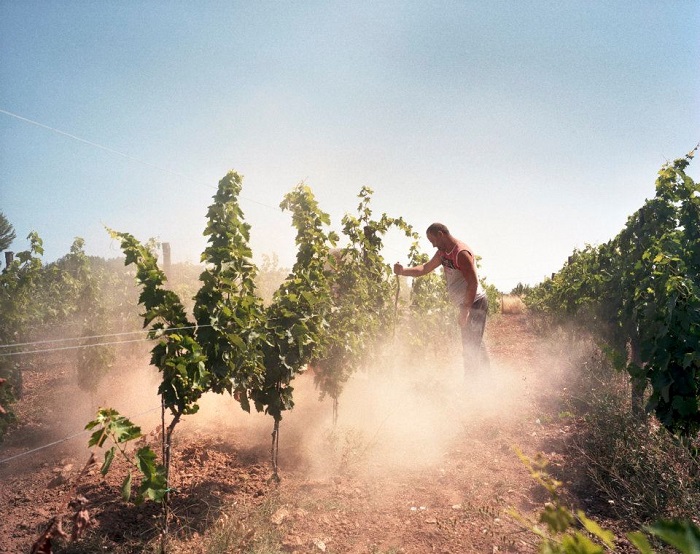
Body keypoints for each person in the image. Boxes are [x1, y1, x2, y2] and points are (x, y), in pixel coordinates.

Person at [393, 222, 489, 374]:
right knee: (474, 343)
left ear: (440, 234)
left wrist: (465, 309)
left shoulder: (461, 253)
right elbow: (425, 268)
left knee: (470, 347)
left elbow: (473, 283)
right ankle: (486, 381)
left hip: (475, 302)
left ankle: (472, 389)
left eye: (433, 241)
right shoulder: (443, 253)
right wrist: (403, 271)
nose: (432, 245)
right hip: (466, 303)